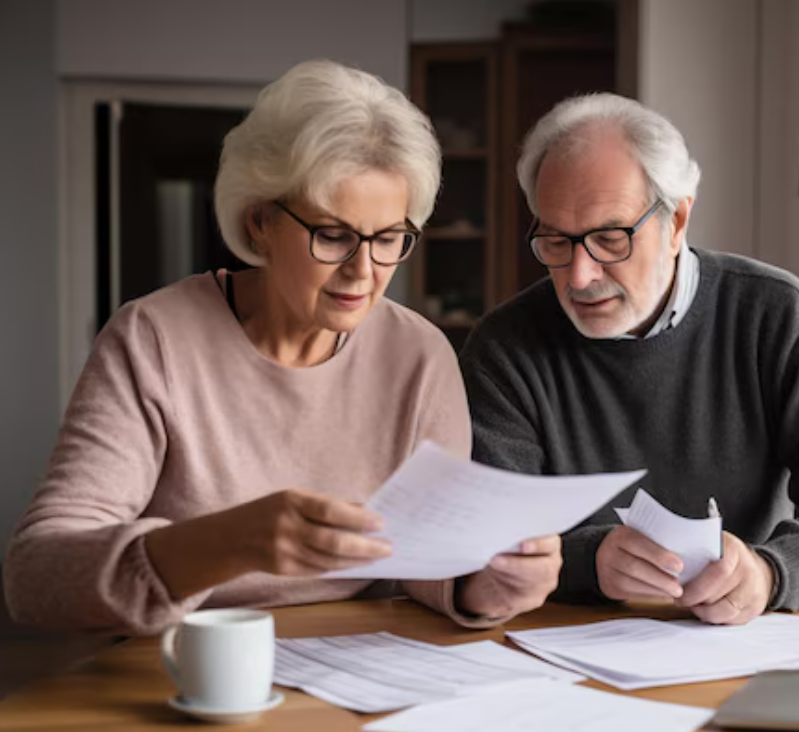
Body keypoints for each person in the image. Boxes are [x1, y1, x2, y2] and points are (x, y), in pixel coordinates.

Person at [4, 60, 560, 636]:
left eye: (390, 238)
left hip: (355, 670)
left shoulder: (421, 355)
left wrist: (485, 583)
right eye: (334, 235)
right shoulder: (153, 339)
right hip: (183, 669)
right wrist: (229, 542)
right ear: (261, 221)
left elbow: (426, 557)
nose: (363, 272)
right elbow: (35, 577)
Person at [460, 93, 799, 625]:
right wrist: (589, 562)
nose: (579, 276)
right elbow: (490, 538)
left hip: (742, 636)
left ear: (676, 221)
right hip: (563, 643)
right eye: (557, 241)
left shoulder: (774, 314)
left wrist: (773, 571)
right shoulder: (504, 348)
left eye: (609, 238)